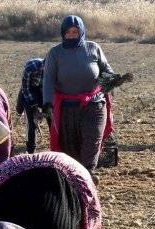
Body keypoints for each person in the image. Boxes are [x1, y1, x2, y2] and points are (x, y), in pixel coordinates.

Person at [42, 15, 116, 173]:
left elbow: (107, 70)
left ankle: (88, 173)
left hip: (94, 104)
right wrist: (47, 103)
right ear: (63, 33)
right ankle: (74, 176)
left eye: (75, 32)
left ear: (81, 32)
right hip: (67, 108)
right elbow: (48, 80)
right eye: (68, 32)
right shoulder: (55, 53)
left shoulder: (93, 48)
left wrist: (112, 79)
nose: (71, 35)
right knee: (71, 146)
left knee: (92, 140)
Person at [16, 58, 49, 154]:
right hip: (29, 89)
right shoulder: (30, 67)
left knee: (51, 118)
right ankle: (31, 149)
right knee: (32, 122)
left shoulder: (53, 70)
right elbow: (25, 88)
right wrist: (33, 105)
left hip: (42, 90)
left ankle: (55, 145)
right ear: (43, 65)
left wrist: (46, 107)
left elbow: (48, 89)